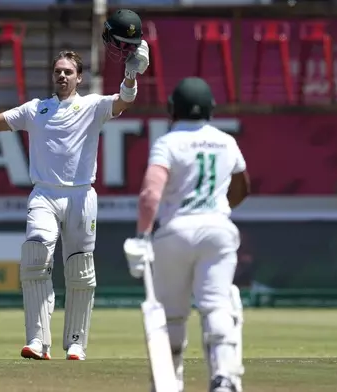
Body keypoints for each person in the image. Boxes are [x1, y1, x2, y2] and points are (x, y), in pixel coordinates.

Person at [0, 9, 149, 361]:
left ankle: (75, 341)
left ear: (78, 77)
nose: (61, 75)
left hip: (80, 195)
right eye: (57, 71)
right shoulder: (35, 109)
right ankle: (37, 341)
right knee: (35, 255)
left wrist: (131, 75)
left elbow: (125, 101)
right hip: (43, 193)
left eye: (68, 72)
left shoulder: (92, 106)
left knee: (80, 270)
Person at [122, 77, 250, 392]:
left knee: (172, 315)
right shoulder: (226, 141)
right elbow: (242, 186)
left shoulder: (169, 142)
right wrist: (214, 205)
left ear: (171, 109)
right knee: (217, 304)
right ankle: (224, 378)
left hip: (174, 232)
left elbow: (150, 195)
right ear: (211, 108)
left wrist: (141, 235)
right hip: (218, 231)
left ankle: (170, 381)